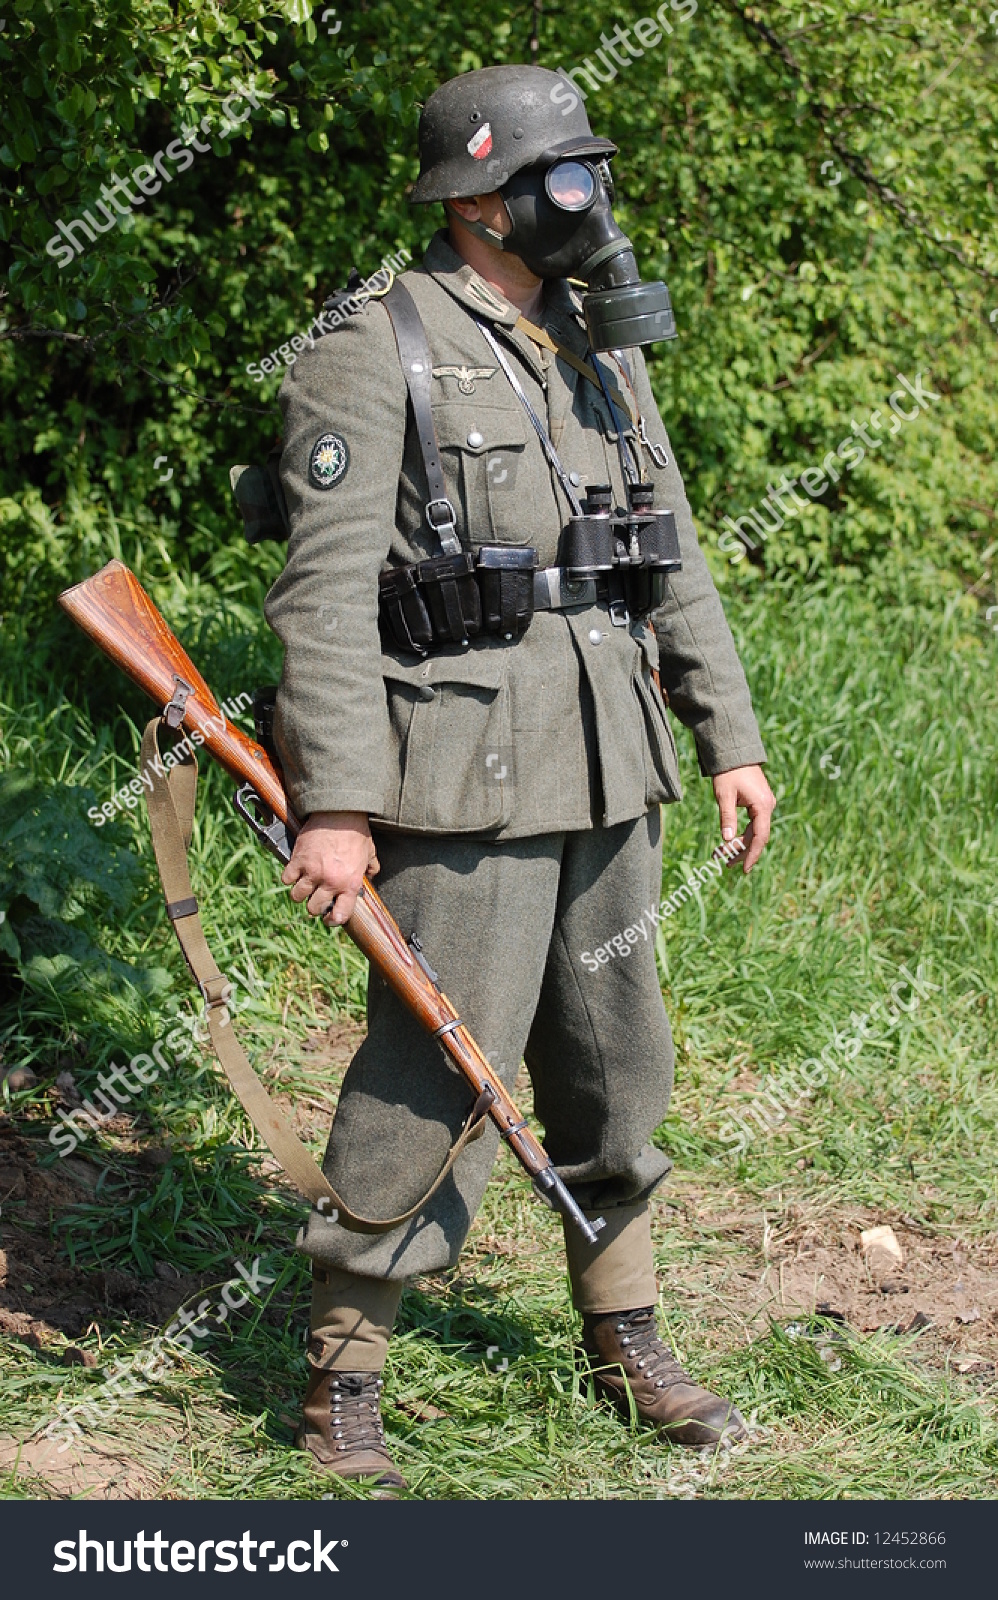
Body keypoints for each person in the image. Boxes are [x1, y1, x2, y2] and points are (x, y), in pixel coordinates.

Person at [264, 64, 775, 1491]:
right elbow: (319, 599)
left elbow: (663, 550)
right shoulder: (377, 345)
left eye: (588, 174)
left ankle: (625, 1335)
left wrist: (724, 735)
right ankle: (343, 1373)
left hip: (610, 761)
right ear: (478, 197)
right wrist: (340, 804)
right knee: (435, 1073)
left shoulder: (602, 344)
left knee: (619, 1069)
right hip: (461, 777)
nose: (586, 203)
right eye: (561, 179)